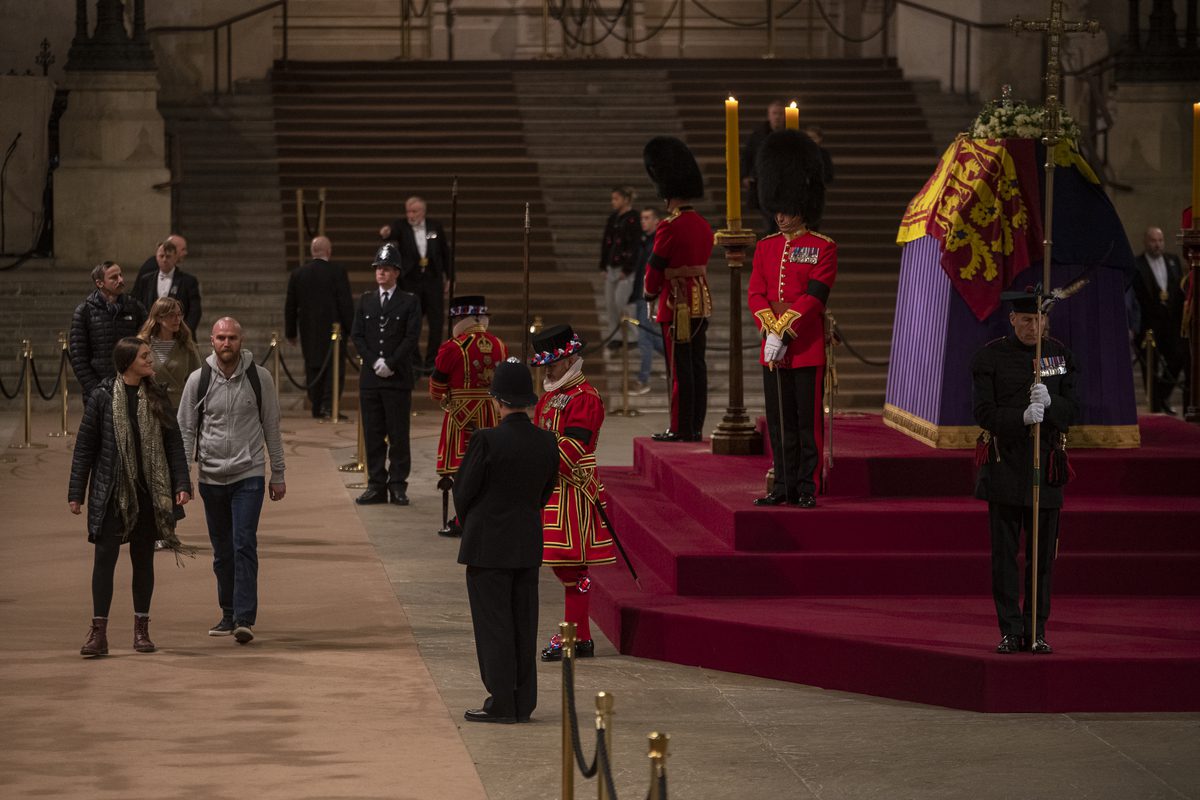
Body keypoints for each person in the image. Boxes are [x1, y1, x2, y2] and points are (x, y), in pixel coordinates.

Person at [68, 337, 192, 657]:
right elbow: (85, 449)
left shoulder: (158, 395)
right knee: (104, 561)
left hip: (149, 492)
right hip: (112, 491)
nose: (151, 361)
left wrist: (182, 483)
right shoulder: (102, 397)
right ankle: (99, 632)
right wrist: (76, 493)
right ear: (127, 362)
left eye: (150, 355)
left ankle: (141, 630)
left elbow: (173, 444)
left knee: (143, 561)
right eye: (145, 356)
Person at [971, 289, 1078, 655]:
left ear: (1047, 321)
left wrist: (1052, 405)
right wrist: (1019, 417)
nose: (1033, 327)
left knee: (1042, 558)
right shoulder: (990, 357)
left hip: (1045, 467)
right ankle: (1009, 629)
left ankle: (1037, 628)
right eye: (1026, 320)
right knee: (1004, 557)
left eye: (1039, 320)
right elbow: (983, 412)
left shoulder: (1058, 356)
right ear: (1013, 320)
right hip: (1005, 465)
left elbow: (1073, 409)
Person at [454, 359, 560, 724]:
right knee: (523, 623)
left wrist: (475, 524)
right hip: (526, 542)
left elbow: (463, 491)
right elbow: (546, 490)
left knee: (494, 625)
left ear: (497, 400)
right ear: (528, 401)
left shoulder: (486, 439)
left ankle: (501, 702)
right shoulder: (547, 441)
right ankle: (522, 701)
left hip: (488, 545)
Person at [178, 316, 287, 645]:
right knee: (222, 550)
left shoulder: (260, 378)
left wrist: (278, 473)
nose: (227, 343)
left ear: (242, 340)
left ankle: (244, 618)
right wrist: (183, 478)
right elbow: (186, 430)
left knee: (244, 544)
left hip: (249, 472)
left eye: (233, 338)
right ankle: (227, 613)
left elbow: (272, 426)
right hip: (211, 476)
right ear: (211, 340)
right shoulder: (198, 379)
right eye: (221, 337)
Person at [748, 129, 837, 508]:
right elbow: (756, 292)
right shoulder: (766, 247)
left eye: (786, 209)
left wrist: (783, 330)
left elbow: (815, 296)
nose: (780, 216)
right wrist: (769, 329)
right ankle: (782, 483)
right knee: (779, 421)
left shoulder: (823, 247)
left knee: (806, 424)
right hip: (774, 348)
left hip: (806, 348)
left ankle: (806, 485)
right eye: (777, 209)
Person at [528, 324, 616, 661]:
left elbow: (573, 449)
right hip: (551, 486)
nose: (547, 369)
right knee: (563, 566)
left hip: (573, 489)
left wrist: (536, 460)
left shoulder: (585, 398)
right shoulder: (551, 395)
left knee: (571, 566)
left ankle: (577, 635)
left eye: (551, 363)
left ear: (569, 360)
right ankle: (578, 634)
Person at [643, 136, 714, 443]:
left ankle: (680, 426)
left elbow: (655, 267)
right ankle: (695, 423)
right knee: (696, 365)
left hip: (676, 303)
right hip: (701, 299)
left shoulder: (669, 226)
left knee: (678, 369)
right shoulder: (702, 224)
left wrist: (649, 293)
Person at [430, 295, 508, 536]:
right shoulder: (499, 345)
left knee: (461, 471)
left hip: (461, 419)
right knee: (491, 471)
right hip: (493, 416)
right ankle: (489, 517)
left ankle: (464, 520)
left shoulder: (452, 347)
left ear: (460, 319)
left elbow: (436, 389)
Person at [351, 242, 422, 506]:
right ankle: (376, 484)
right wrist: (373, 361)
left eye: (386, 268)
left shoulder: (409, 301)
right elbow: (357, 335)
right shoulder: (366, 300)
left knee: (398, 435)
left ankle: (398, 485)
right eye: (378, 268)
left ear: (396, 272)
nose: (381, 273)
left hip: (397, 377)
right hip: (371, 379)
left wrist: (390, 362)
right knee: (373, 434)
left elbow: (411, 337)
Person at [284, 235, 354, 419]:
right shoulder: (338, 272)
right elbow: (345, 303)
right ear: (329, 252)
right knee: (333, 368)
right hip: (334, 331)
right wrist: (352, 328)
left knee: (313, 366)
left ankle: (316, 406)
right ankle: (329, 406)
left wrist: (290, 332)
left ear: (312, 252)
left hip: (309, 330)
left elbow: (290, 305)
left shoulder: (298, 274)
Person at [379, 195, 449, 374]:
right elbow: (390, 233)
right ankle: (415, 361)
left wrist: (450, 277)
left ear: (423, 212)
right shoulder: (401, 226)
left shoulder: (435, 226)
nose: (411, 215)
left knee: (436, 322)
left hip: (432, 280)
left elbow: (445, 253)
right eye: (408, 211)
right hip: (411, 281)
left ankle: (432, 361)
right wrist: (385, 233)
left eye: (414, 211)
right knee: (411, 321)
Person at [70, 261, 147, 399]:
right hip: (99, 391)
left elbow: (147, 345)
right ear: (100, 283)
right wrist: (95, 390)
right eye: (114, 277)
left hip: (132, 389)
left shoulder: (135, 307)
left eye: (121, 275)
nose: (121, 280)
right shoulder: (84, 311)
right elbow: (78, 357)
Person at [1131, 226, 1187, 414]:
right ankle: (1155, 407)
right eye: (1153, 241)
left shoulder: (1173, 261)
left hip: (1171, 324)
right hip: (1148, 326)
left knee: (1178, 357)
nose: (1157, 245)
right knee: (1151, 366)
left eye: (1160, 240)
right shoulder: (1137, 264)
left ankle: (1161, 397)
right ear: (1146, 242)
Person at [138, 297, 201, 411]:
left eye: (179, 314)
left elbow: (197, 379)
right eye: (171, 315)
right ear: (158, 318)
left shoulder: (187, 346)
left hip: (180, 408)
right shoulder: (143, 345)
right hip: (150, 408)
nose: (177, 319)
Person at [599, 186, 642, 353]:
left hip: (625, 268)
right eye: (612, 199)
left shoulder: (633, 219)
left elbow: (635, 245)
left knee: (621, 302)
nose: (613, 202)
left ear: (625, 199)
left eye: (616, 199)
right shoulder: (613, 218)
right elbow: (606, 242)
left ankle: (633, 336)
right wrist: (603, 265)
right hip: (611, 266)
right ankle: (614, 336)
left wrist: (628, 267)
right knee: (610, 303)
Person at [132, 239, 202, 334]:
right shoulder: (146, 280)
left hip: (179, 334)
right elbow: (139, 306)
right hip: (151, 333)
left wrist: (185, 332)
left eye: (168, 256)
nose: (164, 259)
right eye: (161, 256)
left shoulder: (188, 281)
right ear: (156, 257)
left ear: (175, 258)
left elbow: (195, 311)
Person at [631, 206, 664, 395]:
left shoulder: (656, 242)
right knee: (654, 340)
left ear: (656, 220)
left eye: (647, 217)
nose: (643, 221)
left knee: (645, 338)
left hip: (648, 296)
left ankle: (643, 380)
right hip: (641, 295)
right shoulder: (645, 241)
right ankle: (678, 369)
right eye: (642, 218)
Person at [741, 100, 786, 234]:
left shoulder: (790, 133)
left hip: (784, 184)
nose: (777, 117)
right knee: (769, 222)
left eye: (780, 113)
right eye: (774, 113)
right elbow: (747, 155)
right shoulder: (758, 135)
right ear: (769, 115)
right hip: (763, 183)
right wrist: (745, 175)